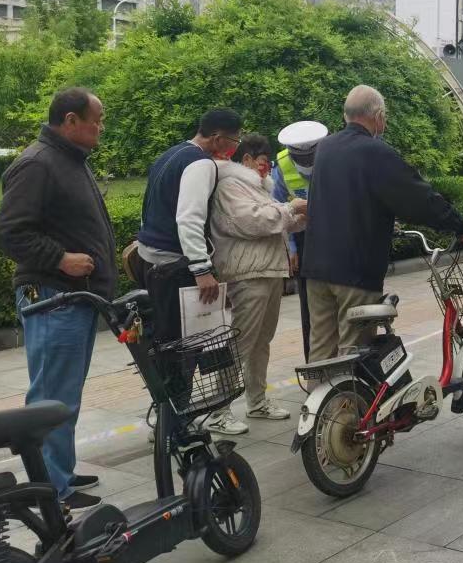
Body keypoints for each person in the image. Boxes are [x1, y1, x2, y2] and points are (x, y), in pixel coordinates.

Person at [0, 88, 116, 509]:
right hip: (52, 297)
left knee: (65, 393)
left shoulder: (68, 160)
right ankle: (51, 492)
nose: (101, 127)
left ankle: (59, 471)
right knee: (51, 396)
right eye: (96, 120)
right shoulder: (38, 163)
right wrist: (61, 259)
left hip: (73, 298)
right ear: (70, 121)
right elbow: (9, 232)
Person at [302, 85, 463, 361]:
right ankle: (348, 392)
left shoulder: (325, 147)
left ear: (346, 115)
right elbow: (418, 198)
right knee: (353, 352)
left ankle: (318, 392)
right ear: (378, 116)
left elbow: (340, 198)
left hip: (316, 268)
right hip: (355, 271)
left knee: (321, 351)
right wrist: (460, 225)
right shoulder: (374, 151)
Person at [210, 134, 308, 429]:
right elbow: (253, 221)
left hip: (267, 271)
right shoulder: (230, 185)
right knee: (241, 342)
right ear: (247, 160)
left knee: (261, 341)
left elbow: (276, 220)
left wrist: (301, 215)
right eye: (263, 161)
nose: (267, 168)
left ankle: (257, 401)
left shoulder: (257, 187)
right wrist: (291, 208)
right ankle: (218, 411)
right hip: (247, 274)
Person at [136, 108, 243, 351]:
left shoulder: (172, 153)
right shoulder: (200, 163)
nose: (236, 146)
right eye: (235, 140)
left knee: (165, 344)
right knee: (183, 348)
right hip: (174, 267)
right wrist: (201, 269)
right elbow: (189, 218)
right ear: (218, 139)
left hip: (151, 260)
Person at [271, 120, 328, 360]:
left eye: (310, 157)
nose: (305, 162)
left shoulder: (335, 156)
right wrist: (291, 247)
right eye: (300, 158)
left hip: (337, 235)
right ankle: (314, 361)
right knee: (309, 304)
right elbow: (277, 207)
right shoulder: (282, 165)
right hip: (304, 238)